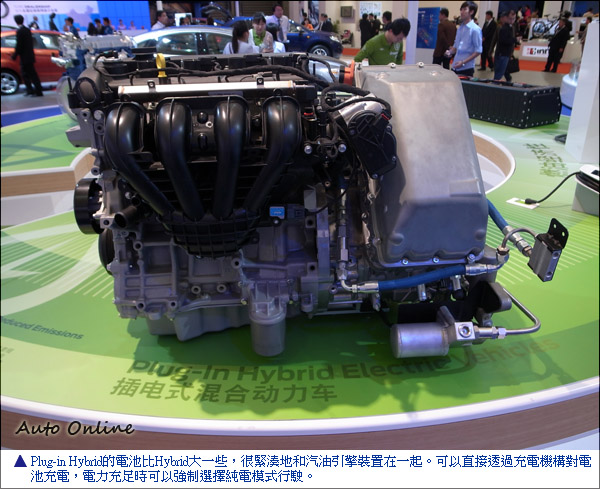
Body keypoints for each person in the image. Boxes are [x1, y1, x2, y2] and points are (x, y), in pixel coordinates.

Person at [445, 1, 482, 77]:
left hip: (466, 68)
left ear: (471, 12)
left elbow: (478, 51)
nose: (461, 12)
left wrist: (463, 62)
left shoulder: (475, 29)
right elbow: (456, 47)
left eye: (465, 9)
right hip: (455, 66)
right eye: (461, 9)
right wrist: (450, 52)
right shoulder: (460, 28)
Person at [11, 15, 43, 97]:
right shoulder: (27, 30)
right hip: (29, 56)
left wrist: (14, 55)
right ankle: (31, 90)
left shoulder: (20, 31)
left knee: (30, 74)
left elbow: (19, 45)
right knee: (27, 74)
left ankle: (37, 91)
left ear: (16, 21)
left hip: (25, 57)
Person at [493, 11, 515, 81]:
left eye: (513, 19)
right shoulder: (504, 28)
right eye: (510, 18)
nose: (512, 20)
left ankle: (507, 80)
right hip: (502, 53)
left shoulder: (510, 27)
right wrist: (514, 40)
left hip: (505, 53)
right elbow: (502, 40)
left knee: (502, 71)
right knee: (499, 74)